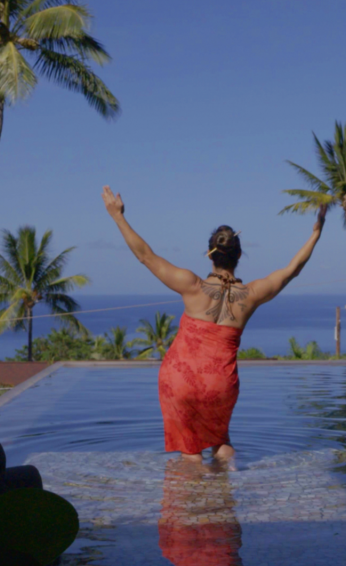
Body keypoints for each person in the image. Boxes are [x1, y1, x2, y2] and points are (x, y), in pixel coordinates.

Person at [102, 185, 326, 463]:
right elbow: (292, 270)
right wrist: (316, 233)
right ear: (239, 256)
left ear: (209, 254)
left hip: (180, 379)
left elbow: (146, 256)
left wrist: (118, 216)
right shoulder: (252, 294)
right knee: (221, 441)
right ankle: (226, 492)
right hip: (220, 382)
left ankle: (194, 493)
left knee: (190, 451)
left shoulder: (191, 285)